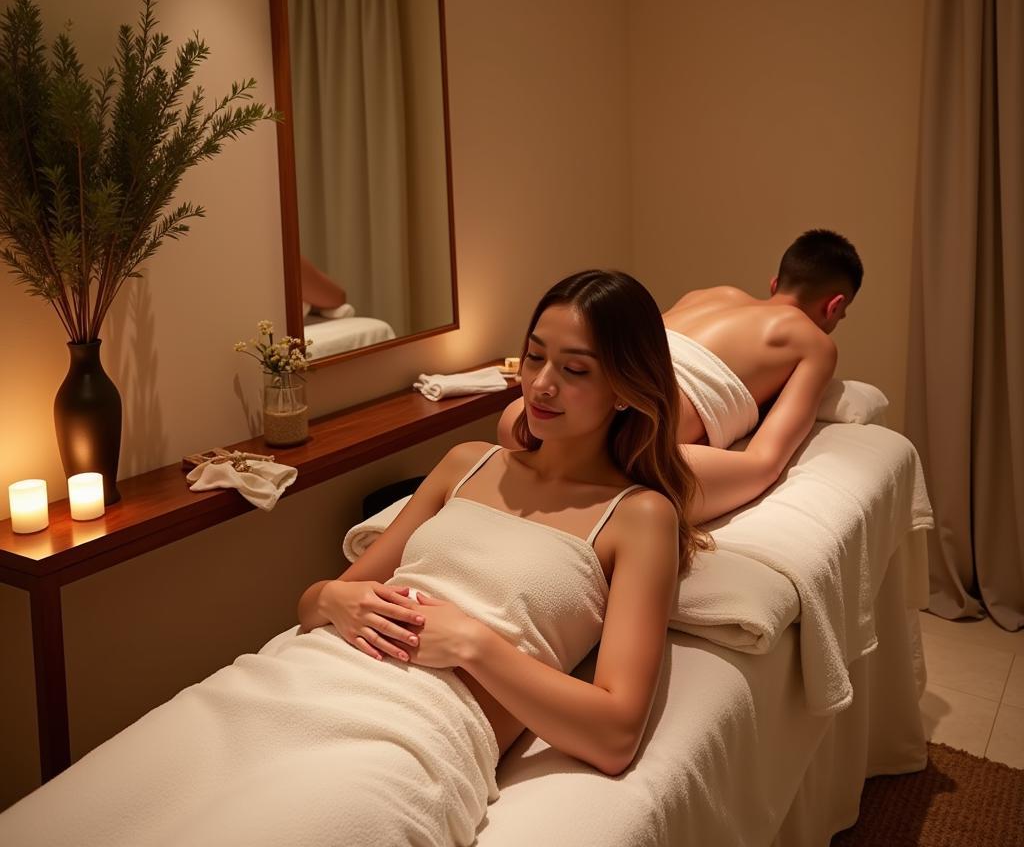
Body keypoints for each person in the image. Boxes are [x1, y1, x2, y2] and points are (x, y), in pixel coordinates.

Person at [0, 270, 703, 847]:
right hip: (291, 682)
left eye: (575, 369)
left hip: (409, 733)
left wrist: (474, 644)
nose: (542, 383)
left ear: (624, 390)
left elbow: (615, 733)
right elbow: (315, 602)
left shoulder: (639, 516)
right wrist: (334, 599)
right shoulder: (467, 462)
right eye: (537, 355)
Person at [499, 229, 863, 523]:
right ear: (835, 305)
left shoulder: (710, 294)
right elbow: (767, 457)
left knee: (511, 423)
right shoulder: (813, 342)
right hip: (633, 441)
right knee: (744, 470)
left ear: (774, 283)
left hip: (580, 417)